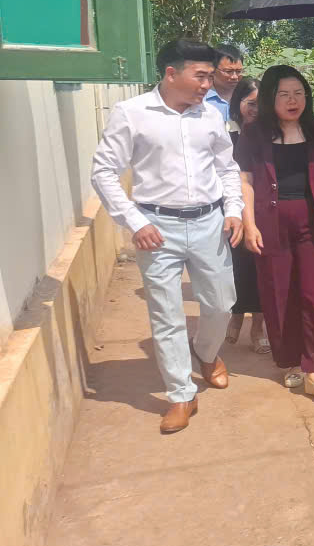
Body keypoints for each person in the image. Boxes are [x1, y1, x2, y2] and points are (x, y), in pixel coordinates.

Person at [90, 38, 243, 433]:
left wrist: (234, 210)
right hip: (156, 228)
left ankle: (206, 352)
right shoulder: (132, 113)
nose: (207, 85)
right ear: (171, 73)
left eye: (210, 77)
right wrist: (134, 222)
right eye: (201, 76)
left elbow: (227, 167)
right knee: (166, 314)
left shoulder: (211, 115)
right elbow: (103, 171)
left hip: (210, 223)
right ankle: (180, 394)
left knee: (221, 303)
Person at [237, 65, 314, 398]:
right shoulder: (254, 134)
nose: (293, 101)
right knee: (279, 295)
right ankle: (291, 362)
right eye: (284, 94)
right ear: (270, 98)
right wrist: (249, 224)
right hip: (270, 224)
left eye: (299, 93)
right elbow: (244, 181)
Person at [224, 77, 270, 354]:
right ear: (237, 103)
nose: (256, 109)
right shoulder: (224, 134)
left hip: (263, 207)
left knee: (261, 268)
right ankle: (237, 314)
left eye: (260, 103)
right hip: (231, 210)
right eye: (250, 103)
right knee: (237, 267)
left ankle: (257, 328)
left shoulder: (271, 133)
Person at [203, 44, 245, 124]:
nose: (234, 76)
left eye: (238, 71)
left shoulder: (247, 97)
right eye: (228, 71)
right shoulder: (200, 99)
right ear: (213, 70)